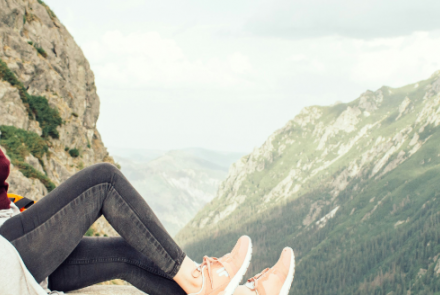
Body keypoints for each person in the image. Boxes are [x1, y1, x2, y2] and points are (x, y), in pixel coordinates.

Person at [0, 148, 295, 295]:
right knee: (103, 180)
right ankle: (200, 281)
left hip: (13, 247)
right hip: (6, 255)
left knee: (127, 254)